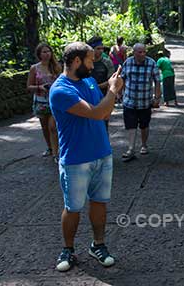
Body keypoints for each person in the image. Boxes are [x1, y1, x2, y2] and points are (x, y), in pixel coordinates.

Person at [49, 42, 123, 272]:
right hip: (76, 159)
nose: (93, 65)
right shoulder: (61, 90)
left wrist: (109, 92)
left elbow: (104, 112)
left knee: (100, 202)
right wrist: (112, 90)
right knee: (73, 207)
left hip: (102, 153)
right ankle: (68, 249)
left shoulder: (89, 82)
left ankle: (98, 245)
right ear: (77, 61)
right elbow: (98, 112)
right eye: (90, 60)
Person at [120, 43, 161, 162]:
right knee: (130, 125)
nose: (143, 54)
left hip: (145, 101)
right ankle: (131, 148)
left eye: (144, 52)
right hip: (129, 100)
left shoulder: (151, 63)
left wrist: (157, 98)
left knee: (144, 125)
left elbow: (157, 81)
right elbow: (122, 78)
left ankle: (144, 145)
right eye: (140, 52)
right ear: (134, 53)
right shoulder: (127, 62)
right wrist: (119, 93)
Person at [26, 43, 62, 161]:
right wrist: (39, 87)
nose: (47, 54)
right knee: (45, 127)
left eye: (48, 51)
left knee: (53, 127)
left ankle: (56, 153)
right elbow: (29, 86)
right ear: (39, 54)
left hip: (54, 101)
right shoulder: (34, 68)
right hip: (41, 101)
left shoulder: (57, 67)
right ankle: (50, 147)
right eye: (44, 52)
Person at [87, 36, 115, 129]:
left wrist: (96, 87)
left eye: (102, 48)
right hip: (87, 97)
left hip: (102, 97)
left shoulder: (107, 62)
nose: (101, 51)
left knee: (103, 125)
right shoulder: (85, 63)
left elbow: (111, 81)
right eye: (98, 48)